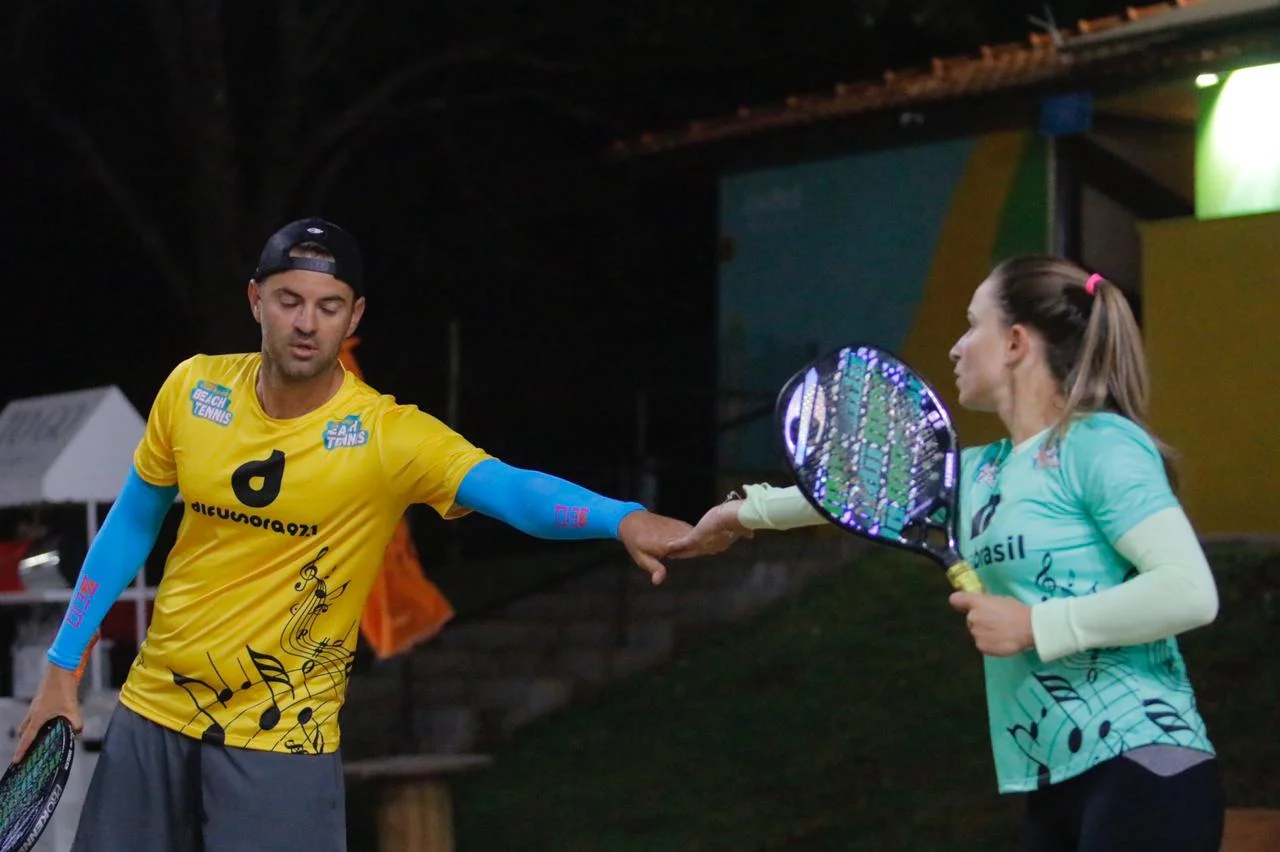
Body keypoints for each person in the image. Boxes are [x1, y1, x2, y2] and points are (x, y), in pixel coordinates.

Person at [14, 217, 693, 852]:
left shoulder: (386, 436)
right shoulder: (193, 390)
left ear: (354, 316)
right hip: (150, 714)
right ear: (255, 300)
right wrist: (62, 665)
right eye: (288, 300)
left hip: (278, 740)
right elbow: (133, 521)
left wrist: (621, 517)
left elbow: (512, 491)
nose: (306, 323)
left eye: (328, 305)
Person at [668, 255, 1223, 851]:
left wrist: (1037, 623)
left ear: (1014, 342)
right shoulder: (983, 473)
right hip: (1056, 777)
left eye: (971, 324)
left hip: (1147, 757)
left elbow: (1189, 591)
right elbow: (851, 491)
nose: (956, 348)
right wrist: (737, 514)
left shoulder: (1098, 445)